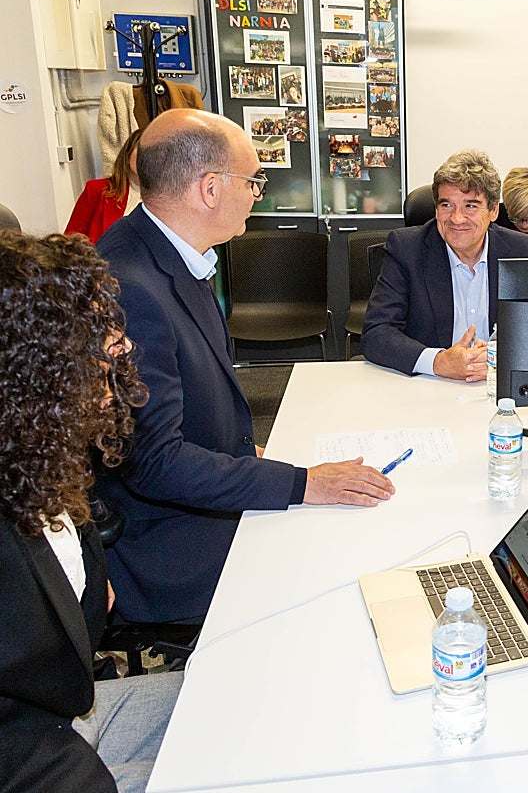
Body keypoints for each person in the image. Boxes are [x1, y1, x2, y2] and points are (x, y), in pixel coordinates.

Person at [93, 109, 394, 624]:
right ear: (210, 189)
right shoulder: (131, 288)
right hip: (165, 537)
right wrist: (301, 484)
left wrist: (243, 451)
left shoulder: (168, 250)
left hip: (193, 493)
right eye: (253, 180)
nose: (258, 193)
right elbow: (156, 462)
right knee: (332, 572)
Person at [0, 230, 181, 793]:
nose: (121, 349)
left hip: (70, 712)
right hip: (35, 758)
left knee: (247, 690)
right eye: (97, 339)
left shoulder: (35, 449)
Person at [362, 150, 528, 380]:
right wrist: (438, 361)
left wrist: (497, 361)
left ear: (493, 211)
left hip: (498, 387)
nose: (457, 218)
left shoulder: (525, 253)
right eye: (447, 205)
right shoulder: (406, 249)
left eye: (470, 205)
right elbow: (376, 333)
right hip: (428, 386)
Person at [66, 128, 143, 244]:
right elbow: (69, 243)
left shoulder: (173, 199)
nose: (145, 157)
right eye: (141, 149)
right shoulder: (96, 189)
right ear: (127, 156)